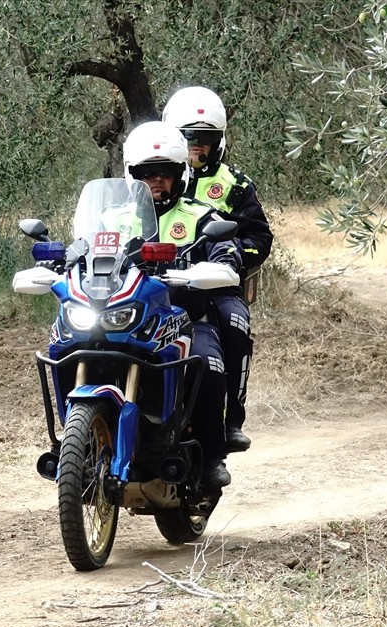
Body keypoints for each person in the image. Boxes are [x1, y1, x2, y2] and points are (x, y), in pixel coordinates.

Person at [121, 120, 240, 488]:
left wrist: (220, 263)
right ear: (133, 176)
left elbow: (227, 250)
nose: (156, 180)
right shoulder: (115, 219)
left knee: (207, 361)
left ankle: (211, 457)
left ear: (180, 174)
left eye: (166, 173)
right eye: (147, 173)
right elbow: (83, 250)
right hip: (127, 319)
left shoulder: (201, 215)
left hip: (184, 318)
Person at [162, 86, 273, 453]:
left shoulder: (235, 185)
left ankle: (231, 417)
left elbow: (259, 237)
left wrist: (227, 256)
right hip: (154, 281)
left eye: (204, 139)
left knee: (233, 320)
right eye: (187, 138)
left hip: (215, 284)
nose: (196, 145)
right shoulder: (152, 176)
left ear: (218, 141)